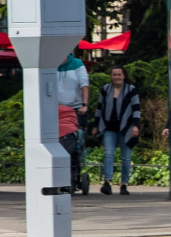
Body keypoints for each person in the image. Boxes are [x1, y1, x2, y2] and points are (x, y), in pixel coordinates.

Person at [99, 64, 142, 196]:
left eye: (119, 74)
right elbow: (99, 108)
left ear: (124, 76)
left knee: (126, 158)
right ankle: (107, 182)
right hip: (109, 128)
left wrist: (136, 125)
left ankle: (124, 184)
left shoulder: (131, 89)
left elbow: (136, 108)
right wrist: (96, 125)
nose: (117, 77)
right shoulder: (106, 89)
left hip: (126, 128)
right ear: (111, 76)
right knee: (108, 153)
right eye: (114, 74)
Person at [56, 50, 90, 195]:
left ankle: (74, 174)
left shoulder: (77, 64)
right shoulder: (51, 64)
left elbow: (84, 84)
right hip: (55, 109)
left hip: (75, 108)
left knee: (76, 140)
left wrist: (85, 104)